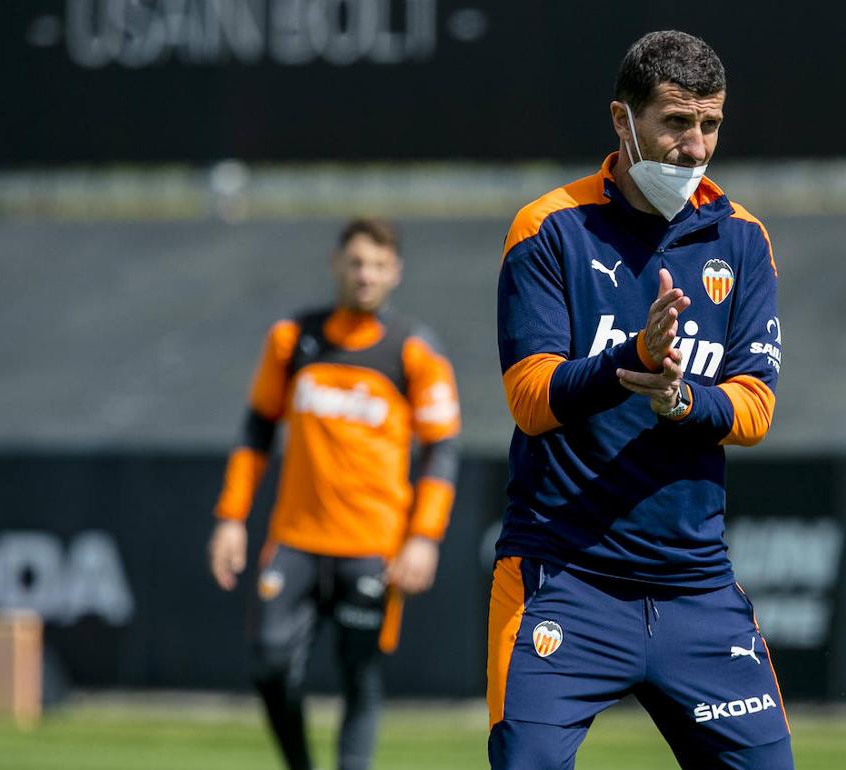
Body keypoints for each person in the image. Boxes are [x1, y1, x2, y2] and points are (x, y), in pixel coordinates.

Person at [489, 30, 792, 770]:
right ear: (622, 121)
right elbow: (530, 400)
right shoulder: (549, 229)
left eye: (710, 125)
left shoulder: (743, 239)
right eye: (675, 123)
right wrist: (633, 358)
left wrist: (683, 397)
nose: (694, 148)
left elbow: (754, 408)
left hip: (696, 589)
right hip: (563, 579)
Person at [207, 217, 461, 770]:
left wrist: (424, 537)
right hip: (295, 540)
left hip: (372, 545)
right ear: (336, 265)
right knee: (270, 663)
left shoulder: (412, 351)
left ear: (395, 273)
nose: (365, 275)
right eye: (356, 263)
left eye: (377, 265)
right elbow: (255, 431)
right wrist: (231, 518)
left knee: (359, 675)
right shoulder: (294, 340)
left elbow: (441, 450)